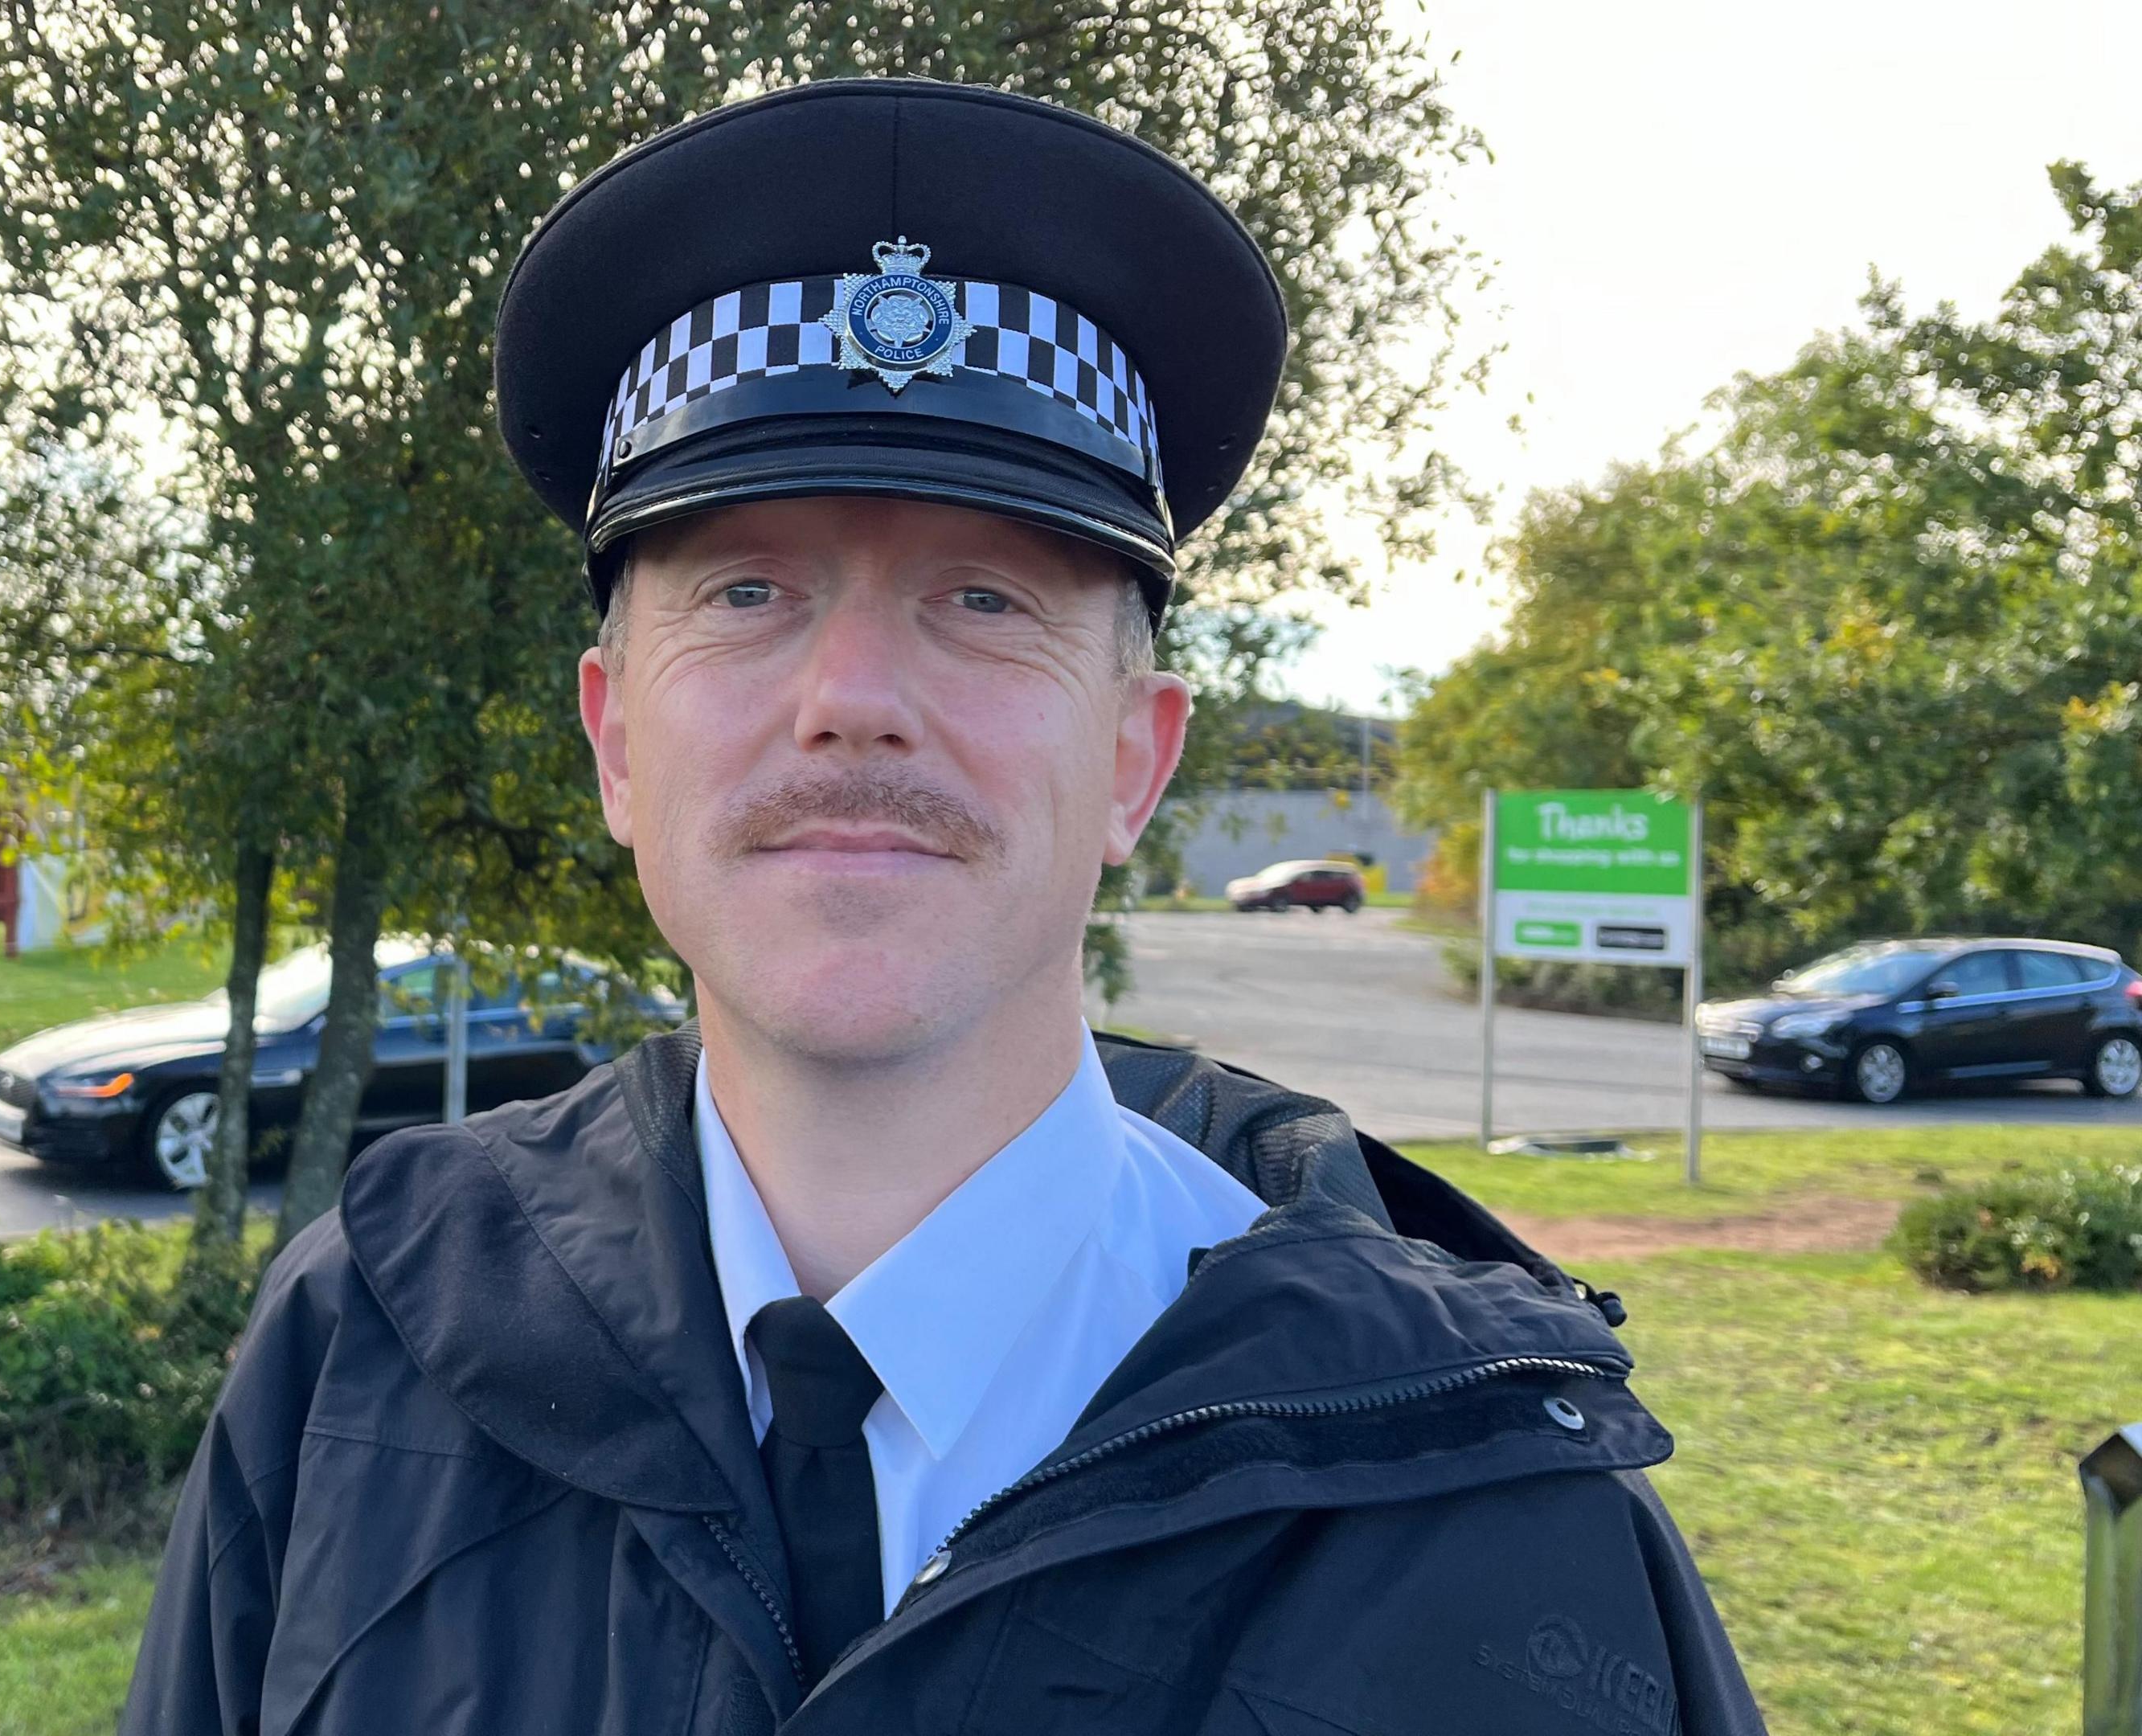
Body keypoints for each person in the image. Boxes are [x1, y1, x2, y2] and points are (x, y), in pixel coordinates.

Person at [124, 78, 1766, 1735]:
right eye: (748, 592)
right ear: (616, 743)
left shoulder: (1483, 1499)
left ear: (1135, 760)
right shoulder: (358, 1354)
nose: (849, 697)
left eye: (983, 599)